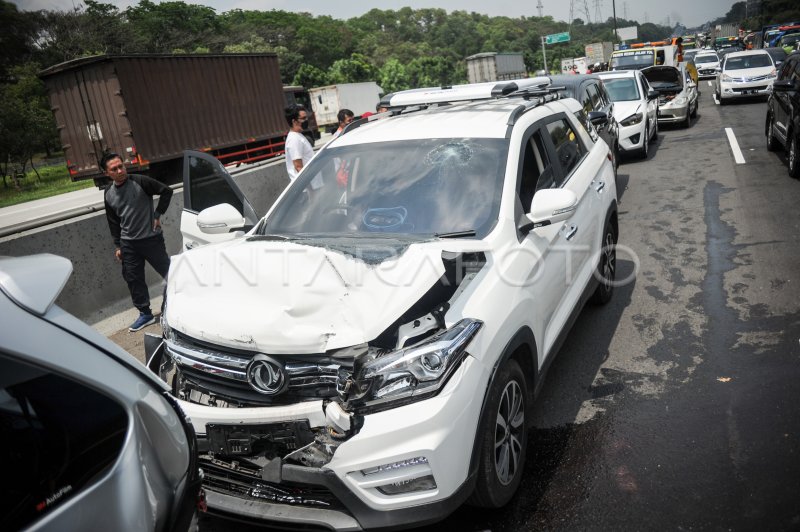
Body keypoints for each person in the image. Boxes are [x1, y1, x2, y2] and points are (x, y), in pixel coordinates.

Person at [102, 152, 173, 332]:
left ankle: (185, 301)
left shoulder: (140, 181)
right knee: (133, 279)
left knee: (169, 271)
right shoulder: (108, 193)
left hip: (150, 239)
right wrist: (118, 245)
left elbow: (167, 191)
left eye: (121, 166)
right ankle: (145, 314)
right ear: (107, 173)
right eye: (114, 169)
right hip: (128, 243)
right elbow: (113, 221)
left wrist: (157, 215)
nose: (120, 170)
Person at [284, 104, 315, 182]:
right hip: (308, 188)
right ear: (294, 121)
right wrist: (310, 189)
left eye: (306, 117)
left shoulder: (298, 135)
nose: (306, 120)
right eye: (303, 118)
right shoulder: (294, 139)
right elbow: (298, 167)